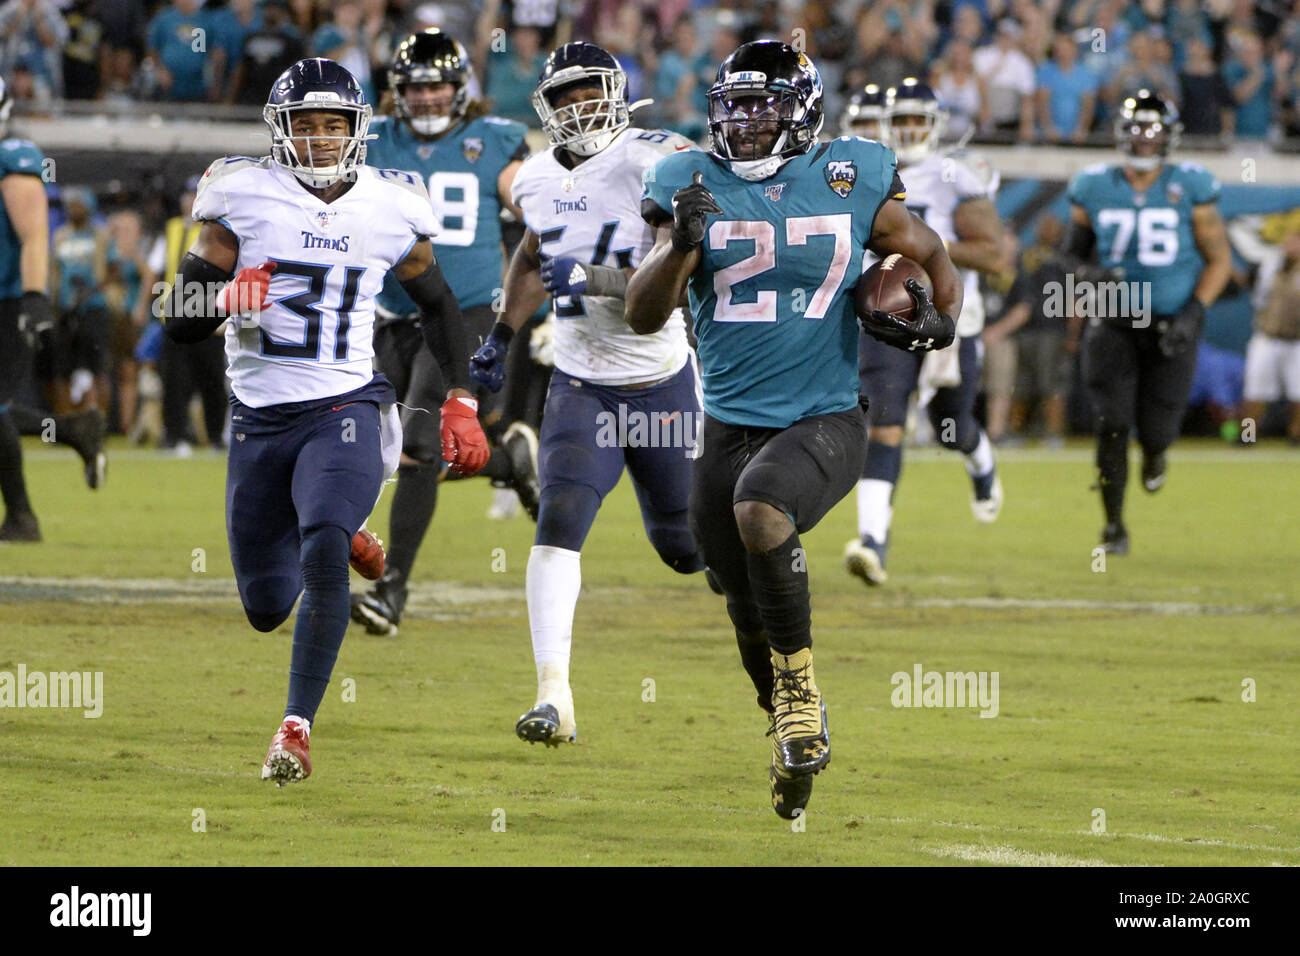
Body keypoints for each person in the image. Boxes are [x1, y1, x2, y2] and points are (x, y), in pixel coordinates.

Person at [627, 41, 961, 818]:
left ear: (802, 111)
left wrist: (941, 322)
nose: (746, 121)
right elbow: (643, 316)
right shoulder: (685, 179)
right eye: (735, 105)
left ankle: (803, 695)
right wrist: (680, 244)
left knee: (762, 509)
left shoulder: (850, 174)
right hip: (727, 424)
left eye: (765, 105)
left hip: (826, 418)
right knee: (739, 599)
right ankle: (789, 733)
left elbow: (929, 249)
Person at [162, 58, 487, 784]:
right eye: (302, 126)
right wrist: (218, 302)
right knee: (265, 605)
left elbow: (439, 304)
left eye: (330, 126)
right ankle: (345, 533)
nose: (316, 140)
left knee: (320, 547)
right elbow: (173, 322)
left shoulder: (389, 203)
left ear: (356, 129)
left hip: (346, 405)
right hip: (259, 419)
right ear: (279, 131)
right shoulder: (241, 195)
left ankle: (295, 728)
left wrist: (460, 397)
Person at [469, 41, 708, 749]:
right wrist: (503, 332)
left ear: (617, 91)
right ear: (546, 106)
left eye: (587, 91)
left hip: (660, 381)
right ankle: (553, 696)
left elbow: (679, 271)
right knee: (560, 520)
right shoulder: (535, 176)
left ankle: (729, 568)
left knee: (682, 547)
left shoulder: (657, 159)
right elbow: (535, 254)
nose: (577, 107)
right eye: (563, 96)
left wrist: (597, 280)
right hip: (581, 384)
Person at [350, 28, 540, 638]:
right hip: (386, 314)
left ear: (462, 89)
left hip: (466, 314)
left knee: (418, 438)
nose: (428, 98)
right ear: (396, 92)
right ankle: (508, 458)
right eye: (416, 87)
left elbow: (535, 208)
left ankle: (392, 587)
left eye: (438, 86)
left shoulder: (493, 142)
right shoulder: (373, 141)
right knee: (376, 445)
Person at [844, 78, 1008, 587]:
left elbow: (996, 255)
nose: (911, 130)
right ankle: (873, 541)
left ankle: (981, 462)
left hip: (951, 315)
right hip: (885, 316)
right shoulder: (868, 172)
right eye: (903, 121)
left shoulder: (954, 173)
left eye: (920, 120)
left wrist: (923, 249)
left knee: (950, 426)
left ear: (935, 126)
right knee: (885, 421)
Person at [1067, 90, 1231, 554]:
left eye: (1154, 128)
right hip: (1114, 322)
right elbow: (1069, 256)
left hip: (1170, 324)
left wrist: (1193, 312)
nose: (1145, 138)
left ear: (1169, 135)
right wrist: (1085, 275)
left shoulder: (1190, 185)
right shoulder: (1094, 184)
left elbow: (1219, 260)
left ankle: (1157, 453)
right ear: (1122, 132)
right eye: (1137, 128)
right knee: (1112, 424)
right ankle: (1114, 526)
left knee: (1158, 430)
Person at [0, 77, 104, 542]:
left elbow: (35, 233)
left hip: (8, 301)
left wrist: (35, 297)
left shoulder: (13, 157)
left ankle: (22, 517)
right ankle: (72, 431)